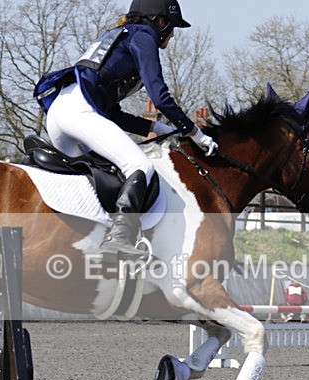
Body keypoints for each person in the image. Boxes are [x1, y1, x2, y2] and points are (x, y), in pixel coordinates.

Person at [33, 0, 217, 262]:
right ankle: (119, 238)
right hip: (79, 113)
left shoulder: (118, 36)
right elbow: (161, 97)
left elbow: (112, 114)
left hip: (60, 115)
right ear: (160, 22)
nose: (173, 35)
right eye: (172, 27)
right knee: (139, 166)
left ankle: (90, 238)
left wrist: (157, 127)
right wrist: (194, 134)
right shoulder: (144, 36)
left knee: (105, 176)